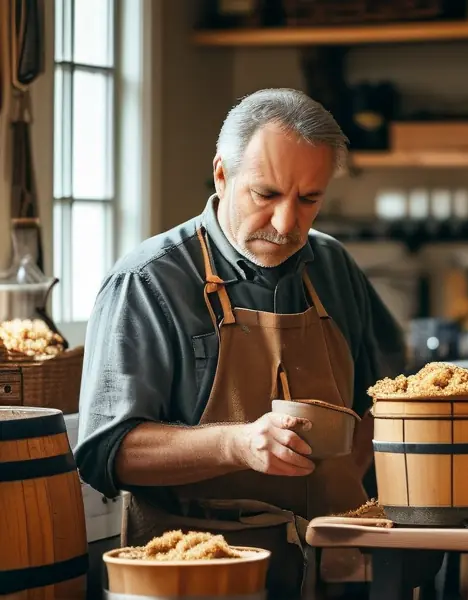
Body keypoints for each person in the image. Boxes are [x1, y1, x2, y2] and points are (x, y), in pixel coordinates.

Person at [75, 88, 406, 599]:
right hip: (200, 568)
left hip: (334, 567)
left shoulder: (333, 266)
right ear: (222, 174)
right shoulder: (149, 281)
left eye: (309, 199)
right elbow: (108, 454)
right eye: (266, 194)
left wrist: (345, 486)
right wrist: (238, 444)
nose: (286, 223)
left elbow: (389, 398)